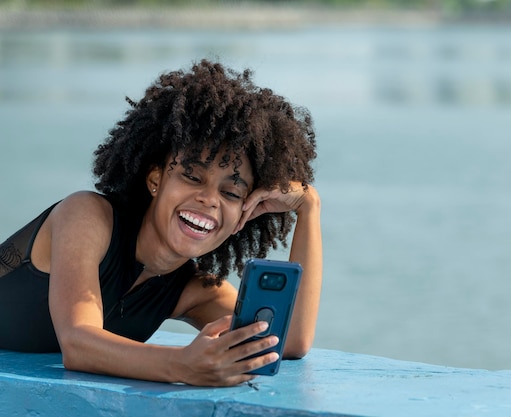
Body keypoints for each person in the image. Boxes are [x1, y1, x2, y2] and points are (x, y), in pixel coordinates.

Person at [0, 59, 322, 387]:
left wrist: (309, 207)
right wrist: (182, 365)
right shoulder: (86, 216)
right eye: (192, 176)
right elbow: (78, 343)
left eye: (230, 192)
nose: (209, 199)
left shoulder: (193, 291)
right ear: (155, 179)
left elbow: (288, 342)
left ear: (245, 213)